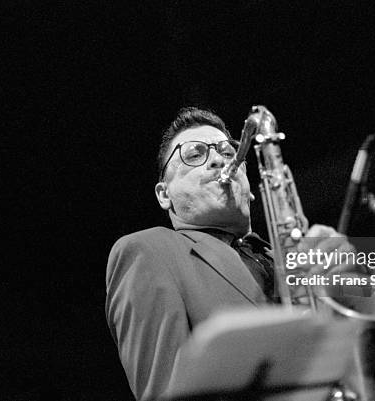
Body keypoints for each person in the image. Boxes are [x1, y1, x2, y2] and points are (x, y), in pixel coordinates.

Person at [105, 107, 354, 400]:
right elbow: (165, 392)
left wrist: (354, 278)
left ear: (249, 186)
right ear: (164, 194)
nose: (218, 160)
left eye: (227, 151)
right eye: (195, 154)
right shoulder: (147, 249)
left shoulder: (293, 255)